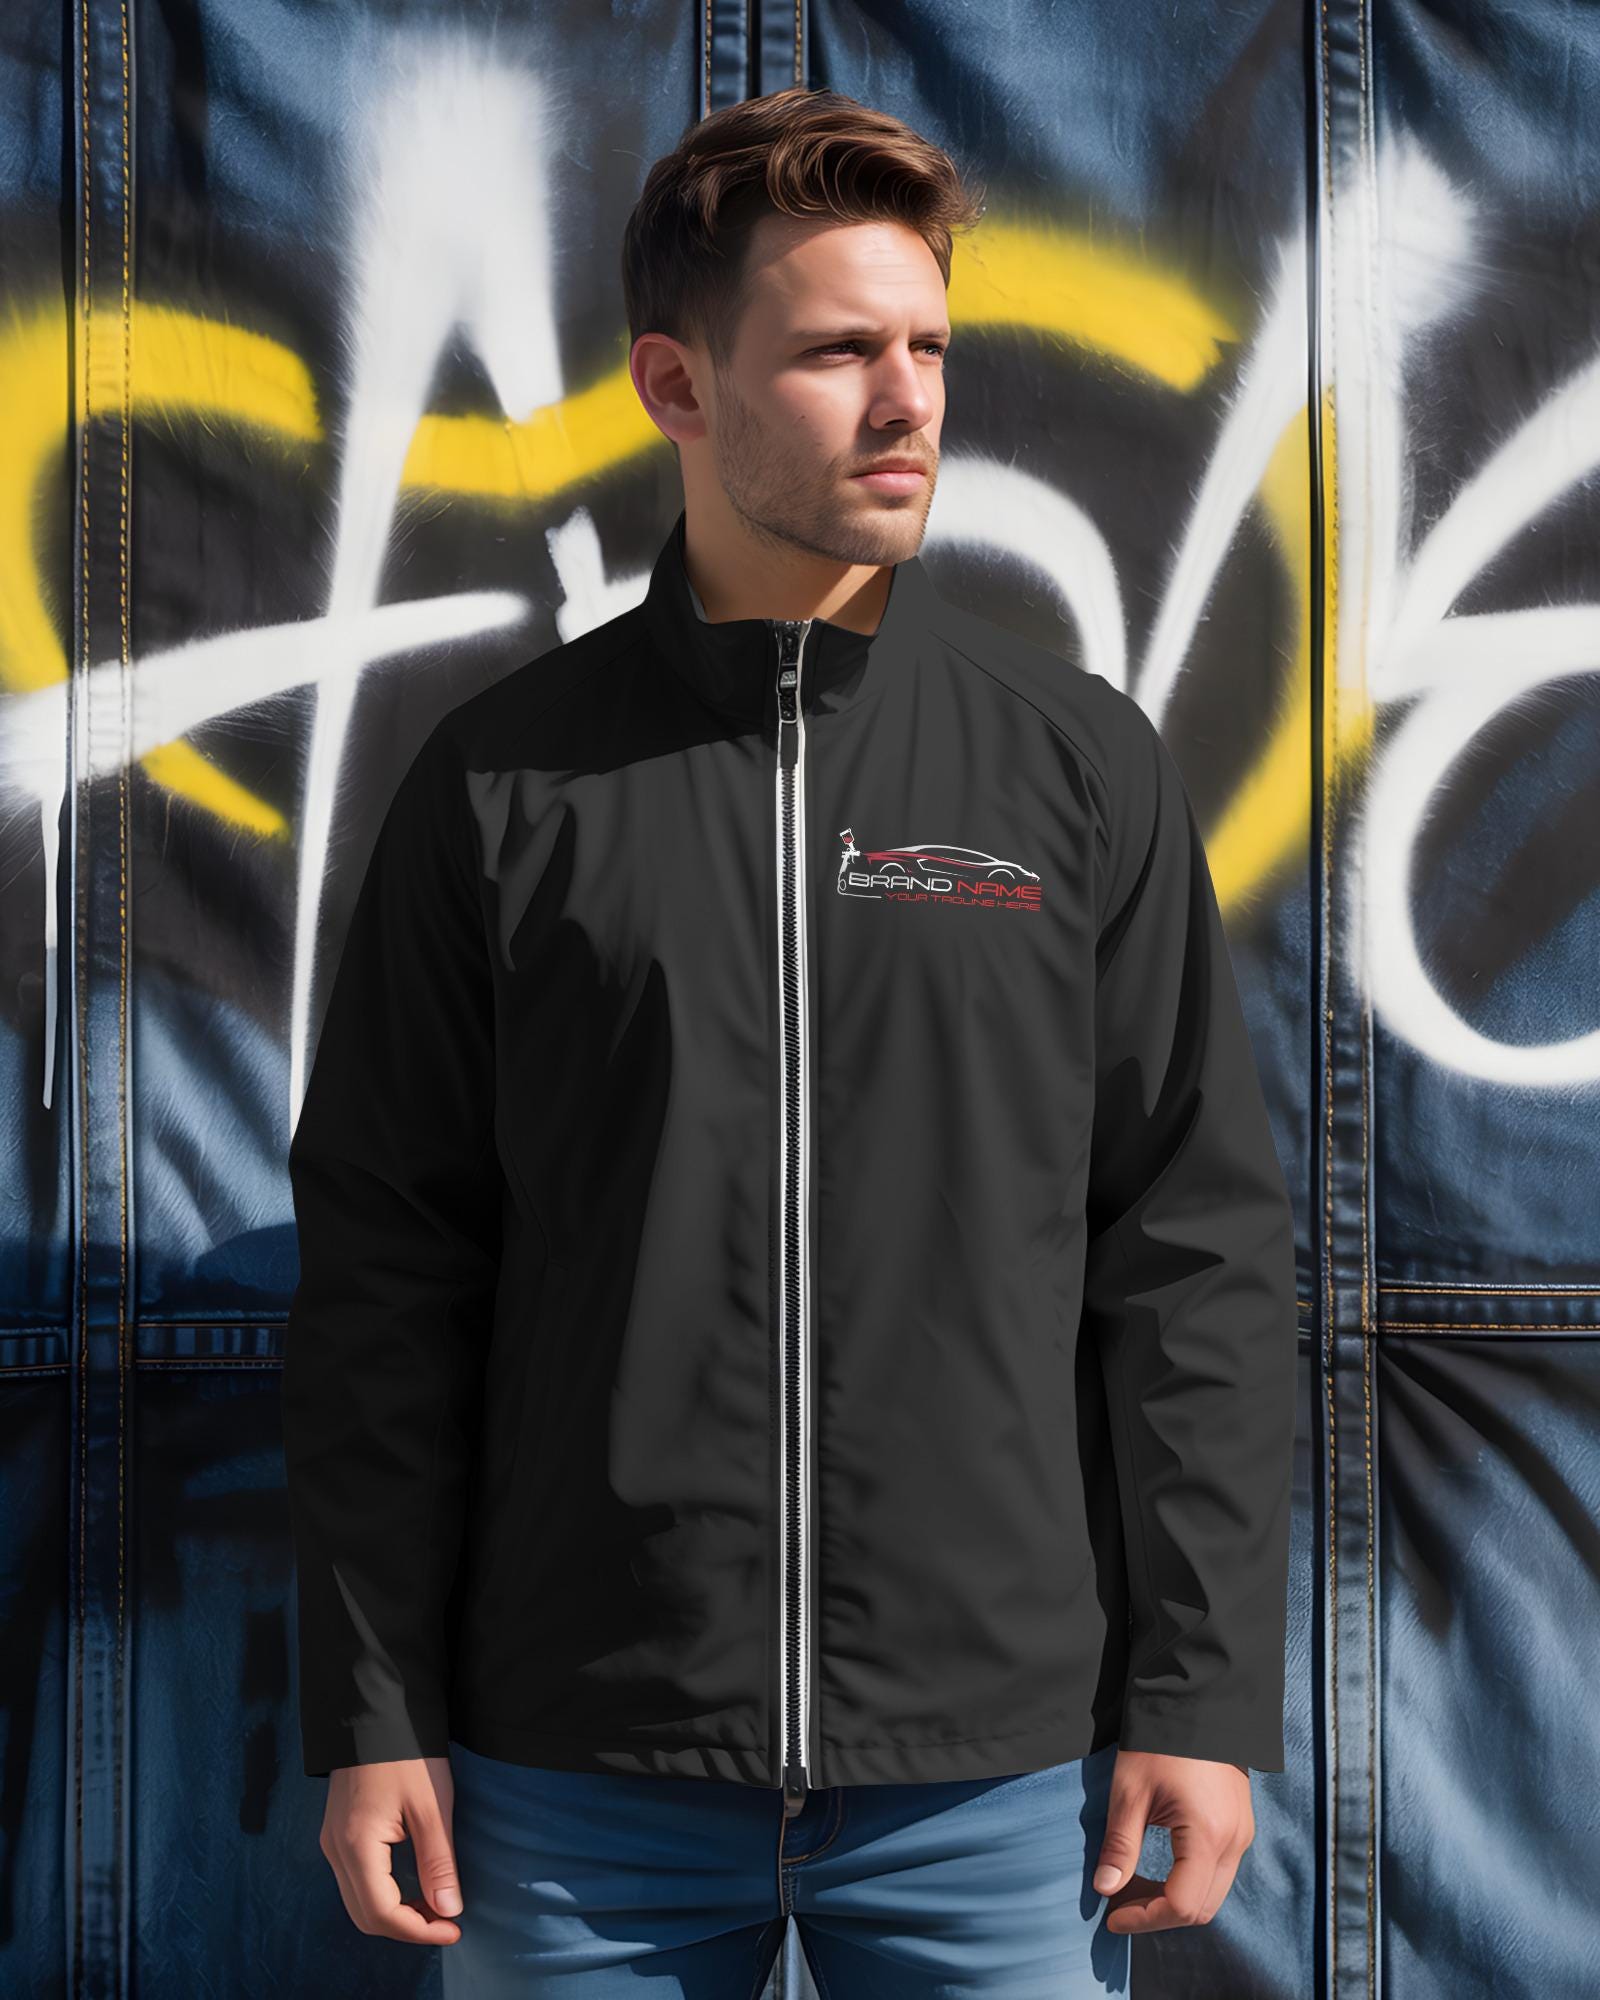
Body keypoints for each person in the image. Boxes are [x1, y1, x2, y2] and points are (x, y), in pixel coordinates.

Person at [282, 84, 1298, 1998]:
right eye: (839, 353)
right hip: (576, 1780)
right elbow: (388, 1276)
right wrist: (373, 1701)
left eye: (930, 347)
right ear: (677, 384)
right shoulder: (504, 785)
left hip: (997, 1785)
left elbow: (1194, 1253)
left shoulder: (1076, 768)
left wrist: (1203, 1691)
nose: (909, 402)